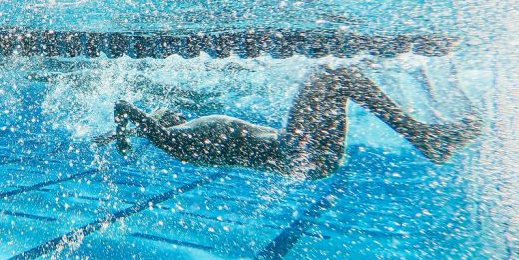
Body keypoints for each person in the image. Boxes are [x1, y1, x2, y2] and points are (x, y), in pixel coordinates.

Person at [94, 66, 481, 179]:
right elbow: (125, 105)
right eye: (159, 118)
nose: (166, 112)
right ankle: (424, 136)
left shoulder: (183, 132)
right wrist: (122, 136)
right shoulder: (177, 143)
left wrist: (121, 133)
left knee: (337, 78)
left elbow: (147, 115)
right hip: (301, 155)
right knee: (331, 76)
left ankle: (425, 135)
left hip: (305, 155)